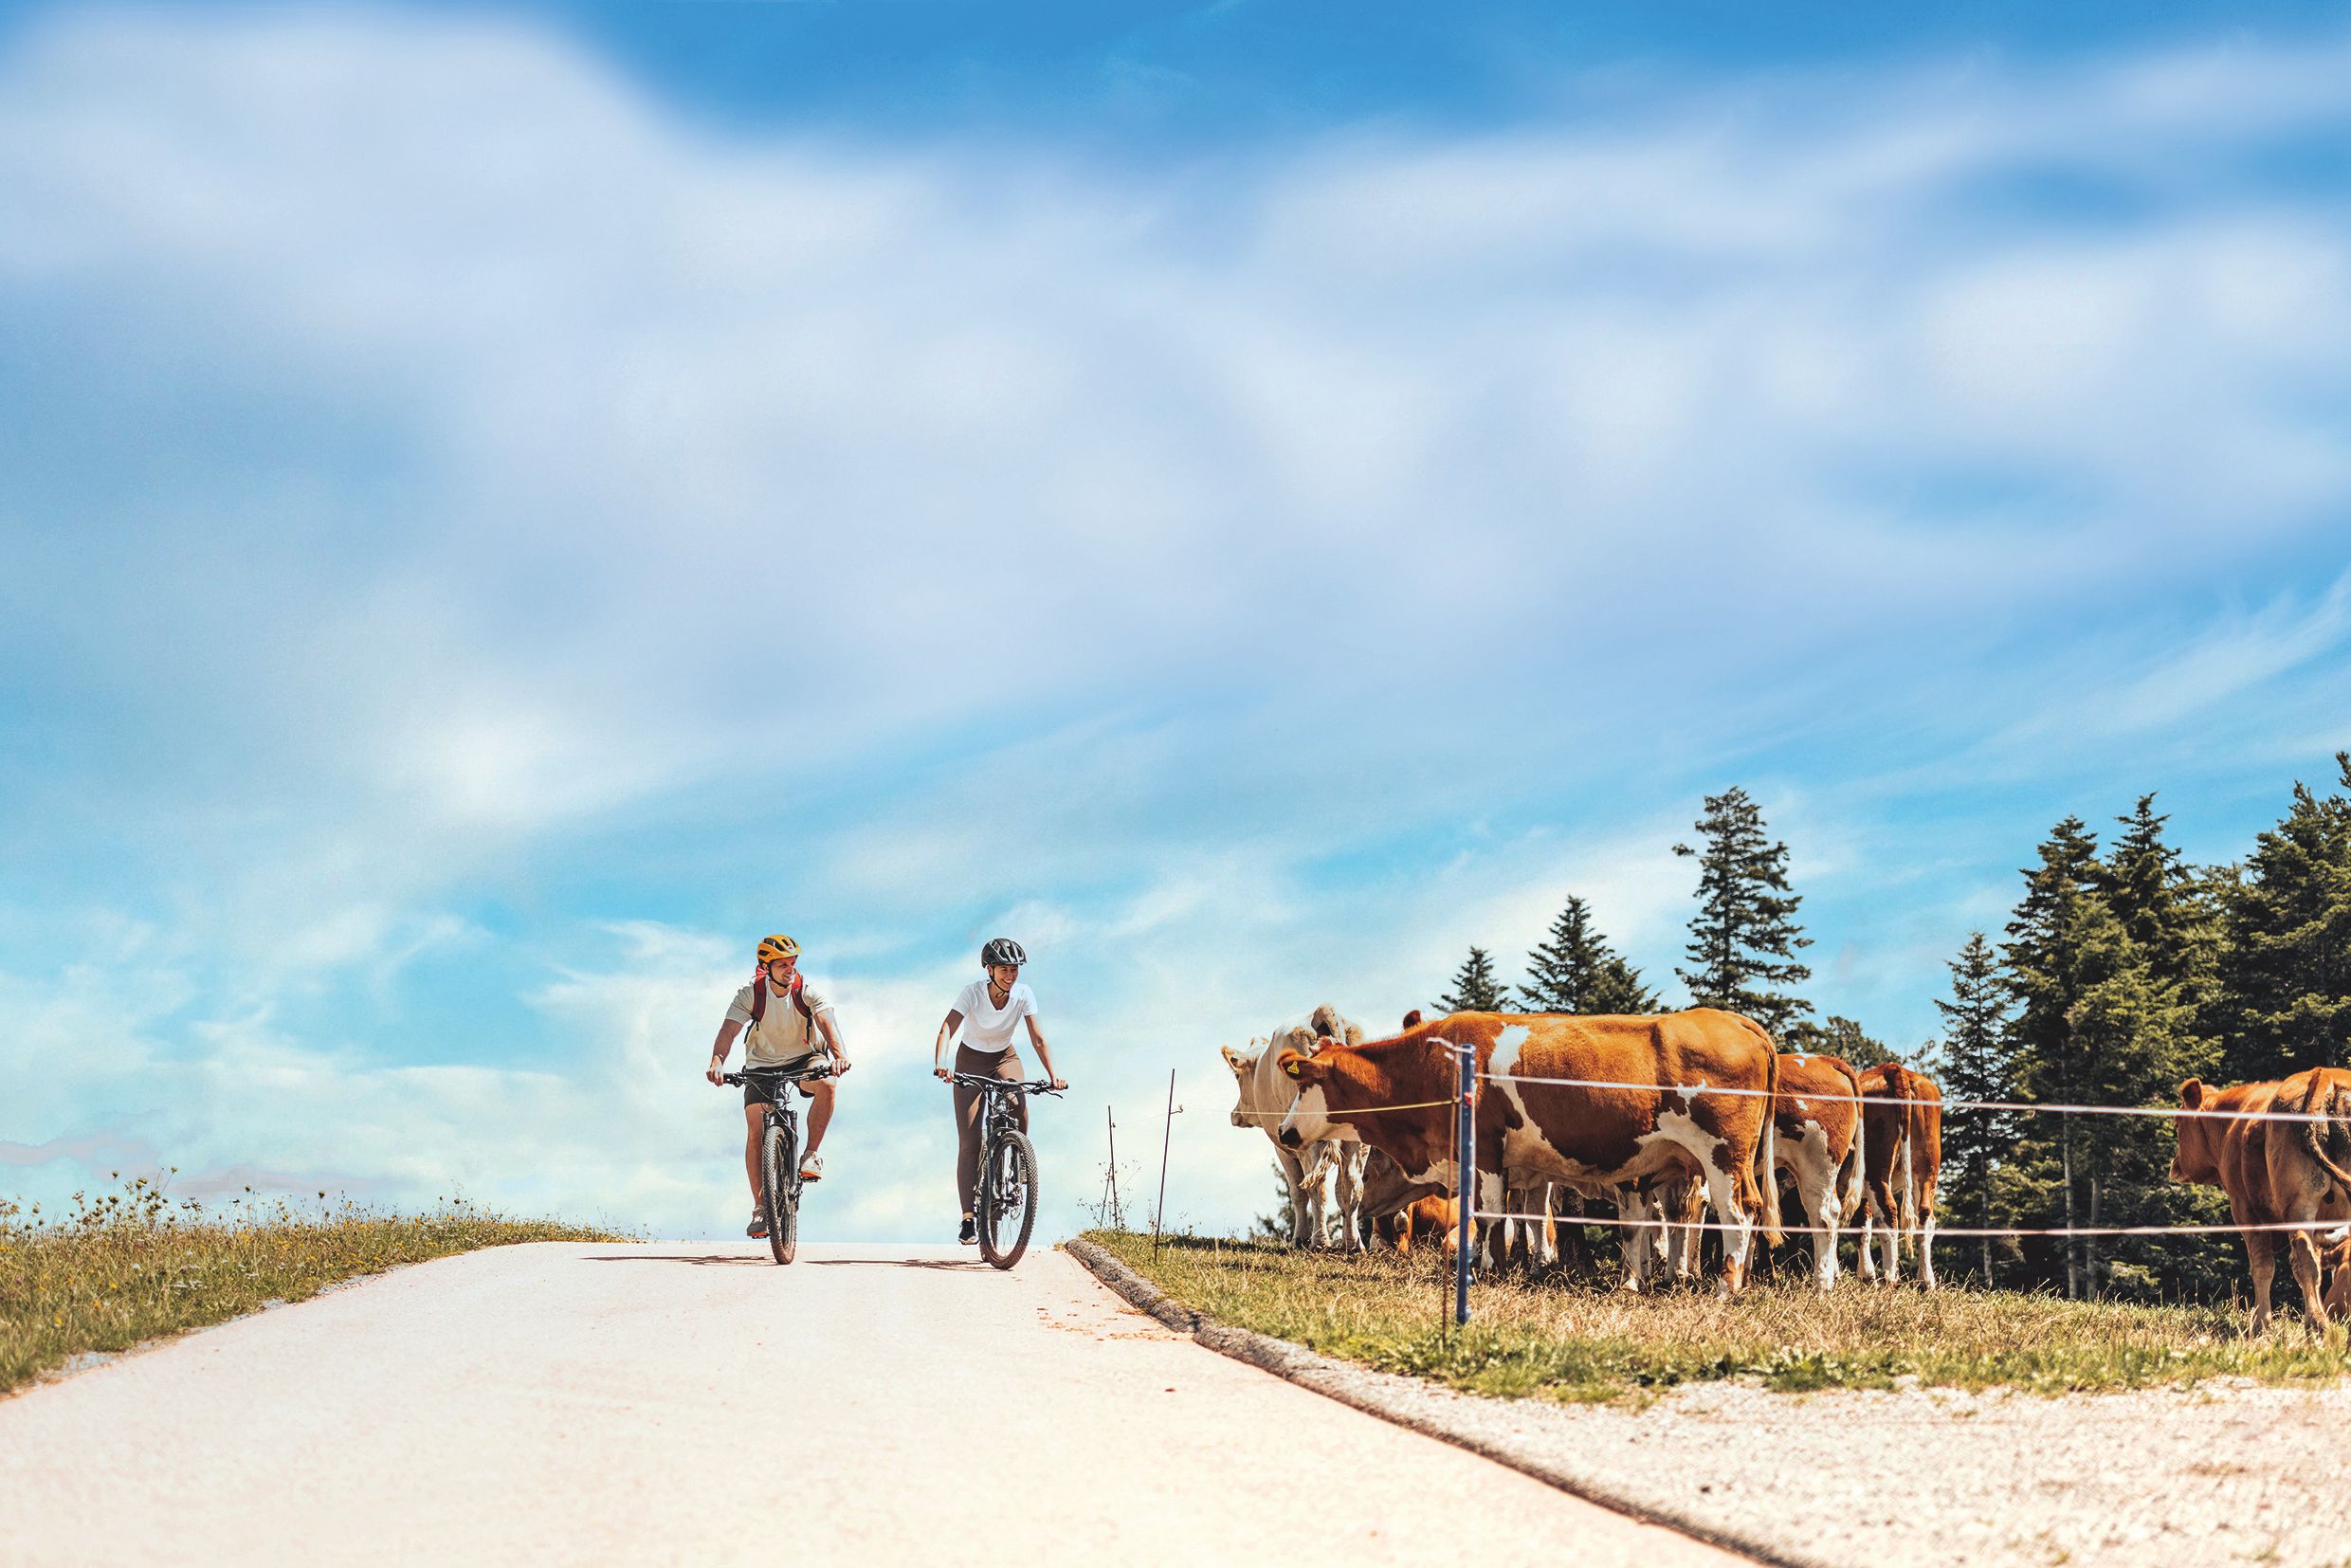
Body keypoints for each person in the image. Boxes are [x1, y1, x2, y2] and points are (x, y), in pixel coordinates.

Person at [707, 934, 851, 1238]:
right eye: (783, 964)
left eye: (793, 963)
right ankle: (761, 1207)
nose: (790, 969)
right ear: (766, 966)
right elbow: (729, 1030)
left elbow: (828, 1023)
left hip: (804, 1059)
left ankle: (811, 1153)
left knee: (827, 1083)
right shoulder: (750, 995)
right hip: (761, 1064)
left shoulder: (806, 993)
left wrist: (839, 1055)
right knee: (756, 1129)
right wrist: (718, 1061)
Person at [933, 937, 1065, 1245]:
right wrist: (942, 1062)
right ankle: (968, 1218)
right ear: (989, 969)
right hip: (970, 1060)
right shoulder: (972, 993)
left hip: (1005, 1056)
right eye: (1004, 969)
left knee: (1017, 1100)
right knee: (970, 1140)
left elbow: (1038, 1038)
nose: (1011, 975)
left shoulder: (1023, 994)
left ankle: (1019, 1161)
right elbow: (947, 1029)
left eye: (1015, 969)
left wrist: (1054, 1075)